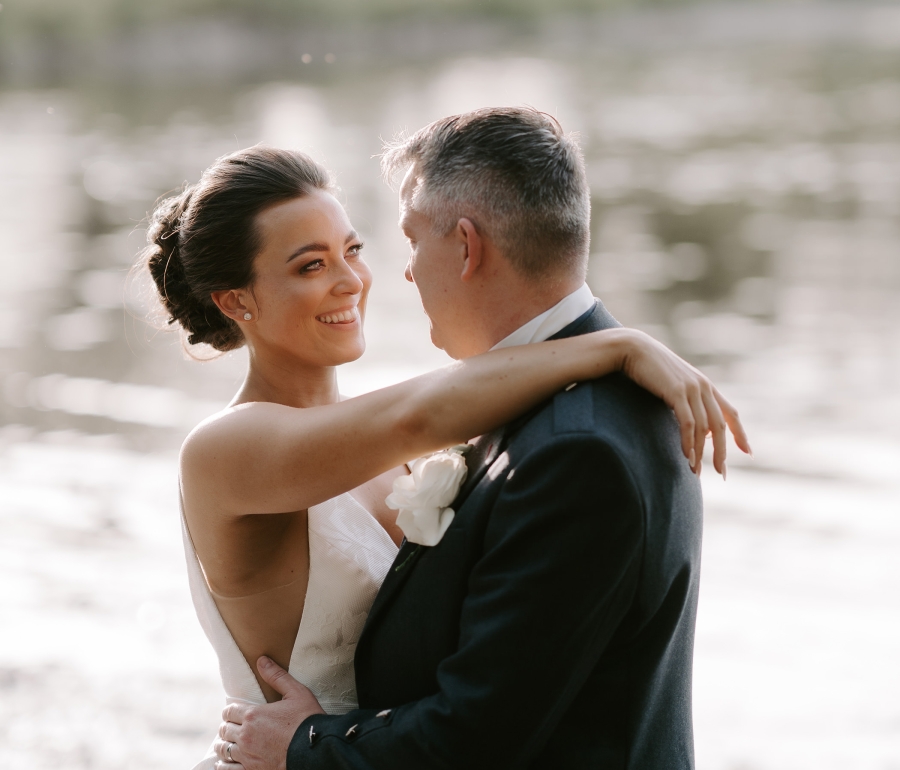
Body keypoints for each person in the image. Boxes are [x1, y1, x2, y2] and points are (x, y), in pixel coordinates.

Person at [143, 124, 745, 769]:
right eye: (311, 265)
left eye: (353, 249)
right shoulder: (227, 449)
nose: (353, 280)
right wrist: (618, 345)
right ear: (236, 300)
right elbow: (419, 414)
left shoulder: (393, 438)